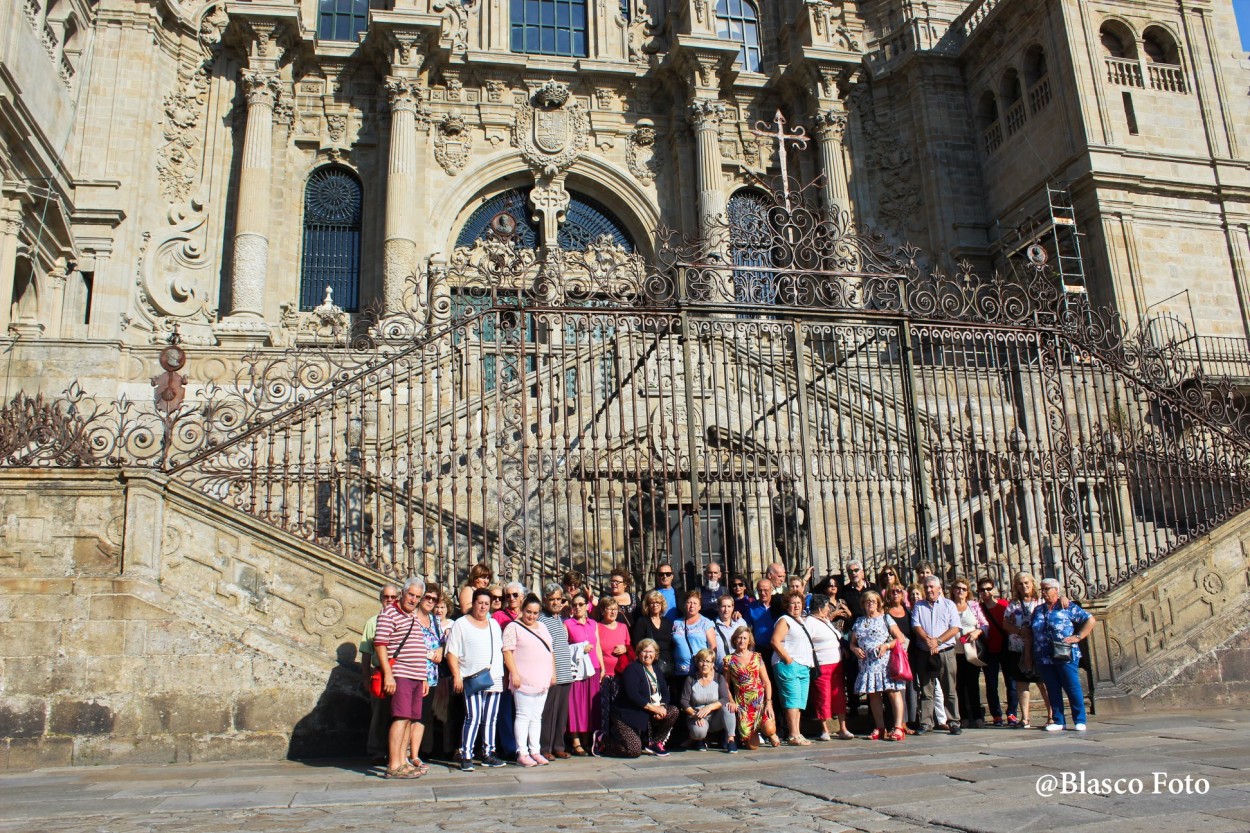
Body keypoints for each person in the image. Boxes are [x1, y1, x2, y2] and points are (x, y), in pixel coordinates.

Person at [374, 579, 430, 778]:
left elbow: (418, 646)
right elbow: (380, 644)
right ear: (403, 594)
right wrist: (388, 675)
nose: (413, 599)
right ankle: (394, 763)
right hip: (401, 674)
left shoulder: (412, 617)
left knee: (409, 719)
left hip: (415, 675)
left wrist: (423, 677)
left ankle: (403, 761)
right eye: (411, 595)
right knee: (400, 717)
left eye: (417, 596)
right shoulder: (389, 613)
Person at [447, 587, 505, 771]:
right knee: (473, 717)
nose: (483, 607)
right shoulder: (461, 624)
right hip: (471, 678)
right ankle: (466, 754)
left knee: (490, 718)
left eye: (486, 604)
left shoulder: (494, 625)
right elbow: (452, 652)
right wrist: (456, 675)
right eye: (480, 603)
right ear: (473, 603)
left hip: (494, 678)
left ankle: (488, 753)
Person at [1032, 578, 1095, 732]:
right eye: (1042, 589)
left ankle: (1079, 719)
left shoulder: (1065, 606)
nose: (1044, 592)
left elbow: (1090, 620)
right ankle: (1058, 720)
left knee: (1072, 686)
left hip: (1065, 652)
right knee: (1052, 688)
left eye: (1047, 589)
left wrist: (1078, 637)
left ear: (1056, 590)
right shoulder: (1038, 610)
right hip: (1044, 655)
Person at [502, 593, 555, 767]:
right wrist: (514, 673)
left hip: (542, 678)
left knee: (536, 717)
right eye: (528, 612)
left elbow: (550, 651)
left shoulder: (542, 627)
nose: (531, 616)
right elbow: (507, 651)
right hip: (524, 678)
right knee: (523, 715)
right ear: (522, 610)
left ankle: (535, 750)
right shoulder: (513, 627)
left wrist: (552, 673)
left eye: (535, 613)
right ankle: (522, 752)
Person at [606, 638, 680, 757]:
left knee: (673, 711)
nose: (647, 655)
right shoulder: (632, 669)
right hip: (626, 716)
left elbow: (665, 693)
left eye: (650, 652)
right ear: (638, 653)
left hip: (647, 712)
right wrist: (654, 709)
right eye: (644, 651)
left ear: (656, 654)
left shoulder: (657, 669)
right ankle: (606, 742)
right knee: (634, 751)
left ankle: (655, 743)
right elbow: (633, 694)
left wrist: (662, 707)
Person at [850, 590, 908, 741]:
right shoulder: (859, 621)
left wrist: (886, 646)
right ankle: (880, 727)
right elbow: (852, 643)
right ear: (863, 604)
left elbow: (900, 638)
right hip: (866, 663)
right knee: (873, 694)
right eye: (867, 601)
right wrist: (855, 649)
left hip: (885, 662)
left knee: (893, 692)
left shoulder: (885, 618)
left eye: (873, 601)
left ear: (878, 603)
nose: (870, 604)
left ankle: (898, 727)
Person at [911, 576, 962, 735]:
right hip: (925, 652)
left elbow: (955, 628)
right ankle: (926, 722)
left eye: (932, 587)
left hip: (945, 651)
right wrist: (928, 641)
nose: (929, 590)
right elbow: (916, 625)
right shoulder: (919, 606)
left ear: (939, 588)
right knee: (926, 689)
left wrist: (937, 641)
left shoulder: (949, 605)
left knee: (949, 688)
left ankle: (953, 721)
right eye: (926, 587)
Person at [359, 583, 399, 762]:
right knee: (379, 715)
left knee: (399, 714)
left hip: (400, 671)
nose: (390, 600)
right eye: (386, 597)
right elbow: (366, 652)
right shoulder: (372, 622)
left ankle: (397, 751)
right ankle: (376, 750)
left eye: (393, 597)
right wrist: (365, 677)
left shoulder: (403, 619)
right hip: (381, 673)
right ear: (381, 599)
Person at [770, 590, 816, 745]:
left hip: (803, 666)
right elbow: (775, 641)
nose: (796, 605)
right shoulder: (784, 620)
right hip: (789, 665)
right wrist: (789, 660)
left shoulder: (801, 621)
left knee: (799, 702)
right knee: (792, 701)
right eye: (792, 602)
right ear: (786, 605)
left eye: (799, 602)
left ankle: (797, 732)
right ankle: (793, 734)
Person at [1003, 571, 1048, 728]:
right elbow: (1005, 624)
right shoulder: (1013, 604)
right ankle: (1025, 717)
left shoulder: (1041, 601)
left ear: (1032, 583)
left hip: (1038, 647)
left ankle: (1051, 715)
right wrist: (1019, 631)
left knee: (1043, 682)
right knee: (1022, 682)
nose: (1024, 586)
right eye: (1020, 584)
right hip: (1018, 647)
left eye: (1026, 582)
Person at [807, 594, 854, 740]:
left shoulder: (825, 620)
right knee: (823, 696)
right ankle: (825, 729)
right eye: (827, 607)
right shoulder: (810, 622)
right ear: (821, 608)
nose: (829, 609)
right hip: (822, 664)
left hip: (836, 663)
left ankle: (843, 728)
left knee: (838, 696)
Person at [723, 626, 779, 749]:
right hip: (743, 703)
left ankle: (770, 733)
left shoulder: (757, 657)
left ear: (749, 641)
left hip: (759, 701)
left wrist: (768, 702)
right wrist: (731, 701)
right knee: (753, 747)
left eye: (745, 638)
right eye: (739, 638)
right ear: (734, 640)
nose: (742, 641)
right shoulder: (729, 660)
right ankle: (756, 734)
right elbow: (725, 685)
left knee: (769, 729)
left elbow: (767, 682)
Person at [537, 583, 575, 759]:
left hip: (565, 672)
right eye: (551, 599)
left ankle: (558, 745)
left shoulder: (559, 619)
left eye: (559, 599)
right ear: (545, 600)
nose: (555, 602)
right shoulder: (541, 619)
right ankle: (545, 748)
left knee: (561, 712)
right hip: (551, 673)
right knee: (548, 712)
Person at [564, 591, 604, 756]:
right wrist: (580, 648)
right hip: (578, 671)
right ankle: (575, 741)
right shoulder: (567, 623)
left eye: (581, 604)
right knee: (575, 706)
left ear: (587, 606)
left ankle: (587, 740)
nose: (578, 607)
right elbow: (563, 648)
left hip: (593, 668)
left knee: (589, 706)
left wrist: (602, 667)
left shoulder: (593, 623)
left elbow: (598, 646)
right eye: (575, 605)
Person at [492, 580, 525, 759]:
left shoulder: (528, 614)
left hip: (525, 667)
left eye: (515, 595)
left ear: (522, 597)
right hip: (505, 668)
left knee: (523, 708)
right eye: (508, 596)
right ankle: (509, 747)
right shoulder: (498, 616)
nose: (511, 598)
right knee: (505, 709)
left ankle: (523, 745)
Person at [413, 582, 446, 760]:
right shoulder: (411, 617)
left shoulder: (434, 620)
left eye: (434, 599)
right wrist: (428, 653)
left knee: (424, 715)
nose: (431, 601)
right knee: (411, 715)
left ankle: (416, 754)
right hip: (414, 672)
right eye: (428, 597)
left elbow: (441, 641)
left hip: (431, 675)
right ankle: (405, 753)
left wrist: (440, 651)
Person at [977, 576, 1016, 726]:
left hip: (1006, 648)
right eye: (982, 590)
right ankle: (996, 715)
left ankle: (1012, 712)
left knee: (1011, 682)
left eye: (988, 588)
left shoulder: (1004, 605)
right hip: (988, 649)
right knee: (991, 683)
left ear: (994, 589)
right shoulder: (978, 608)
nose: (986, 592)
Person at [950, 578, 988, 728]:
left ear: (968, 592)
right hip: (954, 651)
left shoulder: (973, 606)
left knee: (973, 684)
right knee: (958, 685)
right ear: (953, 590)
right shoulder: (949, 606)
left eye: (964, 589)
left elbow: (985, 624)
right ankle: (963, 717)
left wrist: (977, 632)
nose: (960, 591)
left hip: (971, 651)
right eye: (958, 588)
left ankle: (977, 716)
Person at [680, 649, 734, 752]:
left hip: (715, 717)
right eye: (701, 661)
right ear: (697, 663)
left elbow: (724, 698)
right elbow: (684, 701)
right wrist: (695, 714)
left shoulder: (719, 678)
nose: (704, 664)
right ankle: (700, 739)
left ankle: (731, 740)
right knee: (699, 732)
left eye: (708, 661)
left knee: (728, 707)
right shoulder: (690, 679)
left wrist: (709, 707)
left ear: (712, 664)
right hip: (697, 716)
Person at [884, 582, 919, 733]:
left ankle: (910, 720)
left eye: (899, 591)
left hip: (909, 654)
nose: (896, 594)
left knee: (911, 689)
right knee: (898, 689)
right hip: (894, 655)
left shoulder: (908, 610)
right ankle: (899, 722)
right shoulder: (885, 612)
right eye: (893, 592)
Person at [631, 590, 676, 678]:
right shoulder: (642, 622)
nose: (655, 605)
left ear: (662, 604)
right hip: (649, 663)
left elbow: (672, 645)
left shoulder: (668, 622)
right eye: (652, 603)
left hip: (666, 664)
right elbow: (637, 644)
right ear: (647, 605)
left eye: (657, 602)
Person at [673, 589, 717, 678]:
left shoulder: (706, 623)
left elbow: (712, 647)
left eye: (695, 603)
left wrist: (710, 666)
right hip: (679, 671)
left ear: (700, 606)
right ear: (685, 605)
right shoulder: (676, 623)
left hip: (699, 670)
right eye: (689, 602)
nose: (692, 605)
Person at [771, 476, 810, 575]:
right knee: (790, 560)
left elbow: (807, 509)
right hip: (784, 534)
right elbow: (781, 514)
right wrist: (792, 504)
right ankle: (789, 581)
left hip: (797, 532)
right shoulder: (776, 500)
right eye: (783, 482)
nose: (787, 484)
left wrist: (804, 527)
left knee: (802, 559)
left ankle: (799, 582)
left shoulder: (795, 498)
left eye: (788, 482)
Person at [710, 594, 738, 670]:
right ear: (718, 608)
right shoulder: (711, 626)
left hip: (740, 670)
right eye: (723, 606)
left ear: (733, 608)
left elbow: (750, 644)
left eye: (729, 606)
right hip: (721, 670)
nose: (726, 610)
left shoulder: (740, 623)